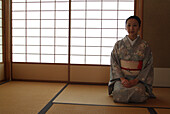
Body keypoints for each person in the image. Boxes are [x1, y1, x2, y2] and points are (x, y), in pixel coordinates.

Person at [108, 16, 156, 103]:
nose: (131, 28)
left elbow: (148, 66)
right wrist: (122, 79)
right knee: (119, 93)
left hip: (138, 80)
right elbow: (114, 63)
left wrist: (136, 80)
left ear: (139, 27)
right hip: (122, 79)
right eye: (129, 25)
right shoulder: (118, 44)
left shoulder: (144, 46)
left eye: (135, 25)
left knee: (138, 93)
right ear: (125, 27)